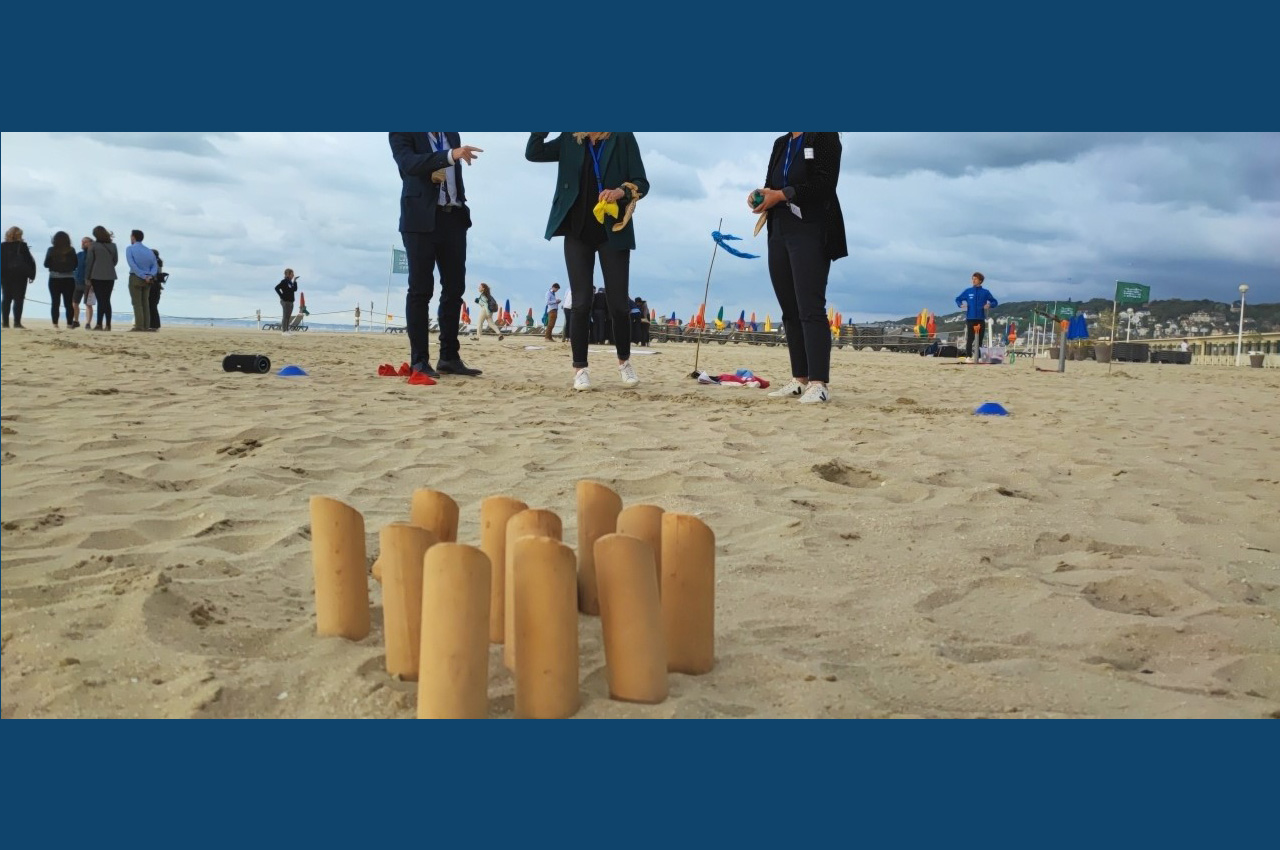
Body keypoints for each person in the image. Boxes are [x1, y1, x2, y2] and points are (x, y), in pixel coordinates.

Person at [526, 133, 650, 391]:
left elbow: (642, 183)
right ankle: (580, 369)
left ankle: (624, 362)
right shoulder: (570, 138)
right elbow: (534, 153)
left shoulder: (622, 137)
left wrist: (621, 191)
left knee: (619, 304)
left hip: (613, 230)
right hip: (576, 231)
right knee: (581, 303)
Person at [749, 132, 848, 404]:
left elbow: (824, 184)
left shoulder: (825, 136)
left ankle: (819, 383)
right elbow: (771, 185)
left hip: (811, 228)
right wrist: (761, 196)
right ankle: (800, 379)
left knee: (810, 308)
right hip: (779, 229)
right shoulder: (781, 143)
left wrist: (783, 194)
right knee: (790, 310)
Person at [388, 132, 484, 378]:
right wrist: (449, 155)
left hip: (453, 217)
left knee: (454, 290)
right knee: (420, 290)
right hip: (419, 220)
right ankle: (419, 361)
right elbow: (408, 164)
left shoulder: (451, 133)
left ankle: (449, 357)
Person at [955, 272, 998, 359]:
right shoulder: (968, 291)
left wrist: (989, 305)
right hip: (970, 318)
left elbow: (995, 302)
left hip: (981, 319)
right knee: (970, 338)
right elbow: (958, 299)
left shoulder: (985, 292)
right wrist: (960, 304)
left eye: (975, 279)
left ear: (980, 281)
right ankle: (968, 356)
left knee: (980, 339)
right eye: (972, 279)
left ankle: (978, 357)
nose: (973, 280)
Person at [84, 225, 119, 331]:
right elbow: (115, 261)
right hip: (110, 276)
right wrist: (107, 266)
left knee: (100, 300)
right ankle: (108, 324)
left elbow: (89, 262)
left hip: (96, 276)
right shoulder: (113, 246)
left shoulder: (93, 246)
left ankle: (99, 324)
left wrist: (87, 277)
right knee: (107, 300)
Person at [2, 226, 38, 328]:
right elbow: (29, 261)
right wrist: (31, 275)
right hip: (20, 276)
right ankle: (17, 323)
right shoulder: (22, 246)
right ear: (19, 235)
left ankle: (5, 323)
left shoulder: (2, 246)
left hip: (5, 276)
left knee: (6, 299)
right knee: (19, 299)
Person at [125, 230, 159, 332]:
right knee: (145, 302)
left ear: (133, 237)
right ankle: (146, 325)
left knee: (137, 303)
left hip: (136, 277)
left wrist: (142, 275)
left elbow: (132, 264)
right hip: (148, 278)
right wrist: (150, 275)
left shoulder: (130, 249)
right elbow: (155, 266)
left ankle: (139, 325)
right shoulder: (149, 251)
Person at [44, 231, 79, 328]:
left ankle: (55, 324)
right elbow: (76, 264)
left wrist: (54, 265)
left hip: (54, 278)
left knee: (55, 302)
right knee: (68, 303)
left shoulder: (51, 250)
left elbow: (46, 264)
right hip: (69, 279)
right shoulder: (71, 250)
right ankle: (69, 324)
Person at [73, 236, 92, 329]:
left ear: (90, 243)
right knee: (74, 303)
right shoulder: (79, 255)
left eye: (85, 242)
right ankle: (76, 321)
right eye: (82, 242)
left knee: (88, 304)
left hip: (88, 283)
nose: (83, 243)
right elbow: (73, 266)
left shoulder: (93, 255)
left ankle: (88, 323)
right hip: (77, 282)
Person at [275, 269, 298, 335]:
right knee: (285, 316)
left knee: (288, 316)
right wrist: (281, 296)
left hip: (291, 301)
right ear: (288, 274)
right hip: (285, 301)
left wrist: (295, 281)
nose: (293, 275)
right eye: (292, 274)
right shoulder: (284, 281)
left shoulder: (290, 282)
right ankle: (284, 331)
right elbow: (276, 288)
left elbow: (295, 289)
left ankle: (287, 330)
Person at [149, 249, 167, 330]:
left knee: (151, 305)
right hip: (157, 286)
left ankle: (152, 324)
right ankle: (155, 325)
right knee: (154, 306)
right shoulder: (159, 263)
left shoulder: (153, 263)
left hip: (153, 285)